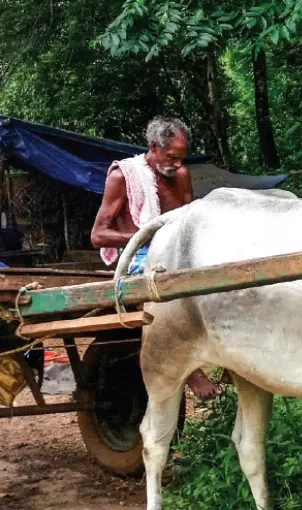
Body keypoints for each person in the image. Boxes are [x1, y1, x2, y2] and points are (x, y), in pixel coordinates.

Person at [91, 117, 220, 401]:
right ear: (153, 147)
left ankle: (226, 352)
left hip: (178, 252)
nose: (177, 164)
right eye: (172, 157)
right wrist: (146, 236)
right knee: (166, 282)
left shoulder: (181, 176)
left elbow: (189, 222)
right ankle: (192, 370)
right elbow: (98, 235)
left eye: (181, 157)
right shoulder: (123, 176)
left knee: (220, 274)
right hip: (139, 256)